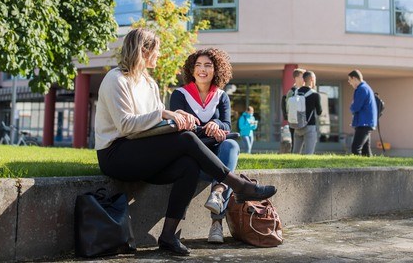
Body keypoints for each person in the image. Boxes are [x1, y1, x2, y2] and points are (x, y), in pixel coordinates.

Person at [94, 28, 277, 256]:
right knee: (187, 139)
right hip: (116, 155)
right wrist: (165, 114)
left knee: (188, 166)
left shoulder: (149, 83)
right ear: (144, 50)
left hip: (143, 153)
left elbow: (151, 126)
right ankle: (238, 185)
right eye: (157, 51)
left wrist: (177, 121)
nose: (159, 56)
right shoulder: (116, 79)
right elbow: (126, 126)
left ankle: (168, 236)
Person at [169, 48, 240, 244]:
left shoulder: (221, 96)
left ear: (216, 70)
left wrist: (216, 125)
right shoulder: (180, 94)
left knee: (231, 146)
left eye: (208, 65)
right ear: (192, 70)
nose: (202, 69)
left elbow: (227, 124)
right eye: (198, 65)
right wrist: (205, 128)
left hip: (216, 155)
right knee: (223, 166)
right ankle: (212, 219)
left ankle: (216, 212)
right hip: (191, 158)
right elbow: (178, 126)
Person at [347, 69, 377, 157]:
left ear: (354, 78)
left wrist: (351, 107)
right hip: (367, 122)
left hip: (363, 123)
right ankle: (370, 169)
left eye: (349, 80)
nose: (349, 83)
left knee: (356, 148)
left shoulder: (361, 89)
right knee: (365, 150)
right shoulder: (366, 87)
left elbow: (356, 107)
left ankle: (357, 169)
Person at [292, 71, 322, 155]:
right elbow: (319, 112)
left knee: (295, 153)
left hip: (297, 126)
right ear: (312, 79)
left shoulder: (296, 92)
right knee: (308, 154)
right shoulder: (315, 94)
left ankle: (292, 167)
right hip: (309, 126)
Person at [282, 68, 306, 152]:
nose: (305, 78)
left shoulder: (307, 90)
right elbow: (288, 108)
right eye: (303, 76)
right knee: (295, 143)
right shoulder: (291, 92)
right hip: (294, 121)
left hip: (305, 121)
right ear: (296, 78)